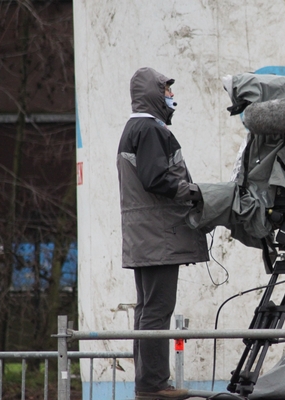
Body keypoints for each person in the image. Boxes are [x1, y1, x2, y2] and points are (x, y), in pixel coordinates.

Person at [117, 67, 209, 400]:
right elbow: (156, 179)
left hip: (143, 234)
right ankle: (155, 386)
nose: (171, 96)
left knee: (146, 309)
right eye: (167, 90)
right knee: (157, 309)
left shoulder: (134, 128)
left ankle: (147, 384)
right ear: (154, 94)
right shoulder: (151, 129)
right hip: (158, 235)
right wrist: (194, 192)